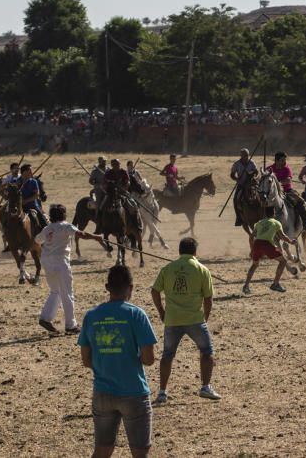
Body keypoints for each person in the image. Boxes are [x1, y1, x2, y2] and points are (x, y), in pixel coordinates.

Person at [77, 265, 157, 458]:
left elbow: (86, 360)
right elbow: (148, 359)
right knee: (140, 453)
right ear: (131, 288)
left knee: (102, 450)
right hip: (134, 393)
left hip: (102, 393)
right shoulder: (137, 314)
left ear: (107, 287)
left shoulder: (92, 316)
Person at [151, 237, 221, 402]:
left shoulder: (168, 268)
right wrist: (205, 318)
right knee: (207, 352)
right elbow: (208, 298)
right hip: (195, 319)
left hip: (172, 319)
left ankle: (162, 392)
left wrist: (162, 312)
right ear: (195, 252)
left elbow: (154, 291)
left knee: (167, 355)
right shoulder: (202, 269)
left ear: (180, 251)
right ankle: (205, 387)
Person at [36, 204, 108, 334]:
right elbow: (82, 234)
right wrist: (96, 237)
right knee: (67, 293)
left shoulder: (47, 229)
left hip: (47, 261)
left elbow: (37, 240)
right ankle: (71, 325)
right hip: (60, 261)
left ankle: (45, 318)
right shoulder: (66, 226)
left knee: (55, 291)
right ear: (64, 215)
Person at [243, 207, 299, 295]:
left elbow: (251, 237)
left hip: (257, 244)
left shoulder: (259, 223)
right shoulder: (276, 222)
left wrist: (252, 250)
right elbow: (283, 236)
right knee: (283, 261)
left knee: (254, 265)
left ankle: (246, 286)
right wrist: (291, 241)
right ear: (274, 213)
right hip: (267, 244)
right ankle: (275, 284)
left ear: (265, 214)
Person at [266, 152, 306, 228]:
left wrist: (278, 183)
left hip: (287, 191)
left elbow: (288, 180)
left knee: (299, 201)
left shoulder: (287, 169)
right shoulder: (269, 169)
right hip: (272, 193)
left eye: (285, 160)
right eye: (282, 160)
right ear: (276, 161)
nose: (284, 162)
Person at [96, 159, 131, 234]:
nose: (117, 166)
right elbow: (104, 183)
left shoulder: (123, 172)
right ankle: (99, 226)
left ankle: (134, 224)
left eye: (118, 164)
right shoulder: (108, 173)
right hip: (110, 194)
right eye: (115, 165)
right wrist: (108, 185)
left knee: (133, 206)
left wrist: (125, 187)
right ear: (112, 165)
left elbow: (128, 182)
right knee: (101, 207)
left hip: (122, 193)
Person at [230, 148, 258, 227]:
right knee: (235, 199)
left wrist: (252, 174)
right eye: (244, 155)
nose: (246, 157)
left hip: (251, 184)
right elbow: (232, 174)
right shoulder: (237, 164)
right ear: (241, 155)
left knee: (260, 195)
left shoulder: (251, 162)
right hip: (241, 184)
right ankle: (238, 217)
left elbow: (256, 172)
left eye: (247, 155)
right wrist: (236, 179)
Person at [19, 163, 48, 228]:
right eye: (30, 171)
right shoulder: (17, 182)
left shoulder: (33, 182)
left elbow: (36, 195)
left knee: (43, 222)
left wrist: (25, 201)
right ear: (24, 172)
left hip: (32, 206)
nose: (32, 172)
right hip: (19, 207)